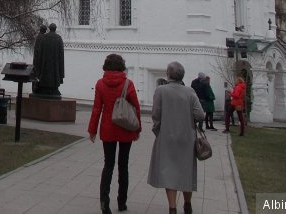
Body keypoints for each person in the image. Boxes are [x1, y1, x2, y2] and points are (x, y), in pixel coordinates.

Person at [148, 61, 205, 214]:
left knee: (168, 172)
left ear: (168, 74)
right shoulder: (190, 92)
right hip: (187, 138)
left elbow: (155, 115)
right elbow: (200, 114)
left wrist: (157, 130)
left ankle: (172, 208)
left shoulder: (161, 91)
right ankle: (187, 204)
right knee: (186, 171)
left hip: (166, 137)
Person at [88, 53, 142, 214]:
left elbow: (97, 108)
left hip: (108, 128)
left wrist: (92, 130)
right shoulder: (128, 84)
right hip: (125, 128)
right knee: (123, 165)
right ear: (121, 66)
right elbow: (136, 107)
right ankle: (122, 202)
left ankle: (104, 202)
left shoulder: (100, 84)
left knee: (108, 165)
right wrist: (137, 129)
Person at [33, 23, 64, 97]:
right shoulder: (59, 38)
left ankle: (44, 88)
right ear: (55, 29)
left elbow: (40, 53)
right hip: (55, 65)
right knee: (54, 76)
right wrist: (61, 72)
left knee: (44, 76)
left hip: (45, 65)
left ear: (49, 28)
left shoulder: (44, 38)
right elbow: (61, 55)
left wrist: (38, 67)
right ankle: (53, 89)